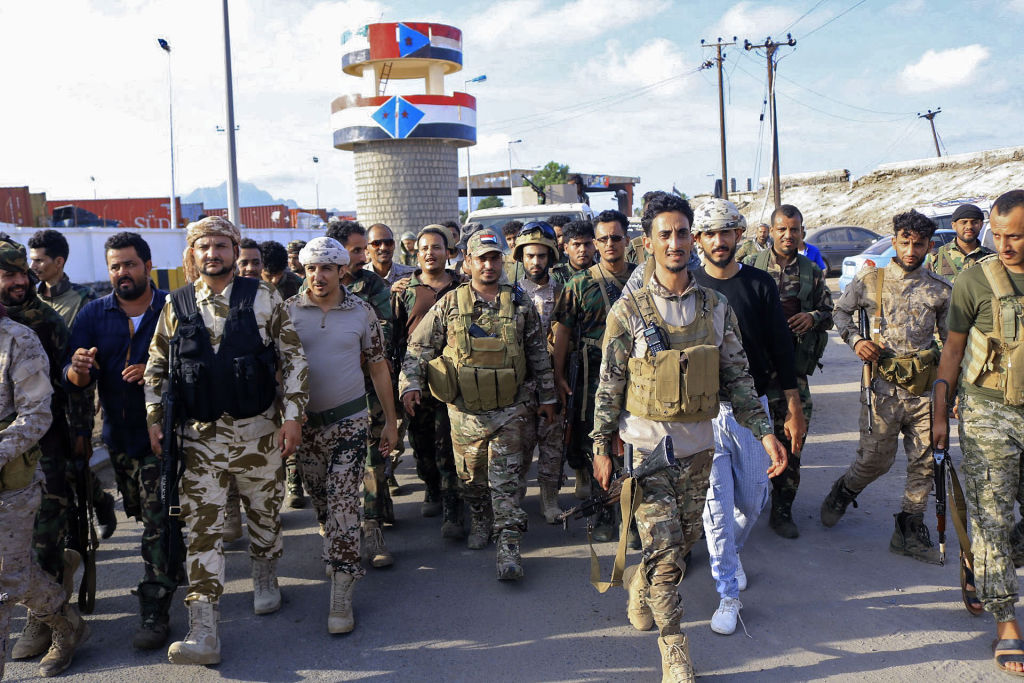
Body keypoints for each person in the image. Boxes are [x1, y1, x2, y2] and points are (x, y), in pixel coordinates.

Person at [590, 192, 786, 681]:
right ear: (648, 244)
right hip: (646, 451)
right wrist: (600, 446)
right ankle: (674, 646)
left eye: (682, 232)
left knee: (681, 544)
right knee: (662, 546)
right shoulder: (628, 311)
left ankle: (641, 586)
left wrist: (765, 434)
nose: (675, 242)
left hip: (701, 449)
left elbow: (739, 380)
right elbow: (609, 385)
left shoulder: (716, 308)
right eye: (665, 234)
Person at [143, 216, 308, 665]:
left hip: (258, 434)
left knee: (265, 515)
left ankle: (265, 573)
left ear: (235, 251)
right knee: (201, 531)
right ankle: (204, 630)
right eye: (203, 247)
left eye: (220, 245)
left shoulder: (264, 298)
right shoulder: (175, 305)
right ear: (192, 254)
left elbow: (292, 357)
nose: (212, 253)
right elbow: (157, 368)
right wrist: (156, 419)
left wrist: (292, 417)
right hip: (199, 440)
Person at [399, 231, 557, 580]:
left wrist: (547, 397)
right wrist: (410, 385)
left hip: (511, 410)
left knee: (506, 482)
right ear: (467, 262)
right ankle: (481, 519)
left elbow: (537, 355)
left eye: (494, 258)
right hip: (465, 413)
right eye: (481, 258)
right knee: (471, 479)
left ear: (503, 261)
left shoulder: (519, 303)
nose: (488, 265)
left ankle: (509, 548)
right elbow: (418, 349)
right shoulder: (450, 304)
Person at [64, 232, 186, 650]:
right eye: (115, 266)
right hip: (120, 438)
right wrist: (78, 369)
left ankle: (155, 610)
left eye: (130, 264)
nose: (122, 273)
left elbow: (200, 365)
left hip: (167, 439)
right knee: (143, 512)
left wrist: (156, 372)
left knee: (157, 523)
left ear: (148, 266)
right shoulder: (93, 314)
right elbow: (74, 377)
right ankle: (174, 559)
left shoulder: (175, 308)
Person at [690, 199, 805, 635]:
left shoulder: (759, 284)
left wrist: (793, 406)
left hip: (749, 408)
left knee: (753, 498)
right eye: (710, 233)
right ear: (698, 239)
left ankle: (729, 554)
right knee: (715, 507)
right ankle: (727, 594)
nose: (719, 242)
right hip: (700, 413)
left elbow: (780, 345)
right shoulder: (690, 286)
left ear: (739, 235)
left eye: (727, 232)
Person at [822, 210, 950, 562]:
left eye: (919, 243)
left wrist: (950, 392)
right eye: (905, 242)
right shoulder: (871, 281)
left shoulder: (939, 290)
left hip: (923, 391)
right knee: (875, 461)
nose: (911, 250)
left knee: (925, 462)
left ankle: (909, 528)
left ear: (928, 245)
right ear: (894, 241)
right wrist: (855, 340)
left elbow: (951, 344)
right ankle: (844, 491)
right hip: (881, 390)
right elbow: (840, 313)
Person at [932, 189, 1024, 676]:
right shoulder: (974, 279)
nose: (1004, 245)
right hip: (988, 410)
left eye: (1017, 236)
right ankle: (1005, 620)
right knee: (991, 514)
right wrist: (941, 411)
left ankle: (982, 561)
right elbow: (952, 350)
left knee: (1003, 532)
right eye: (999, 234)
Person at [287, 237, 397, 633]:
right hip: (305, 425)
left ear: (341, 271)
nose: (318, 276)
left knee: (345, 502)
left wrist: (390, 419)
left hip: (349, 421)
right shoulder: (287, 313)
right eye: (312, 269)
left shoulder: (361, 312)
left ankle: (342, 590)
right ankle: (334, 541)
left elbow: (379, 367)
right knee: (321, 498)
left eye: (327, 268)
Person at [0, 235, 91, 664]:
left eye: (22, 271)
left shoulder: (40, 325)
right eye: (9, 273)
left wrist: (81, 439)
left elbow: (69, 391)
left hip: (43, 453)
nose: (20, 280)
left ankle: (48, 623)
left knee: (44, 541)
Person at [743, 203, 833, 538]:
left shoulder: (811, 271)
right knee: (748, 438)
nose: (788, 235)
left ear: (802, 232)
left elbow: (829, 310)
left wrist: (812, 317)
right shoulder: (751, 266)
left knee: (793, 437)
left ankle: (783, 509)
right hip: (751, 370)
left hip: (792, 371)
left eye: (794, 229)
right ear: (771, 230)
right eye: (782, 229)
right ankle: (746, 502)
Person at [27, 228, 117, 540]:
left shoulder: (84, 300)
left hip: (74, 394)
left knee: (76, 459)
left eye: (40, 260)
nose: (34, 266)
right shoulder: (29, 299)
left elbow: (95, 352)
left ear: (59, 261)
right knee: (52, 465)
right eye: (32, 260)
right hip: (38, 396)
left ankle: (100, 501)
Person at [551, 211, 637, 539]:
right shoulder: (580, 284)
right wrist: (558, 376)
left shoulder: (644, 278)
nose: (610, 244)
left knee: (636, 443)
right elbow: (562, 332)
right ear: (596, 244)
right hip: (593, 377)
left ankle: (632, 517)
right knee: (595, 446)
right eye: (603, 239)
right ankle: (603, 514)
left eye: (616, 238)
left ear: (627, 241)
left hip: (638, 375)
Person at [325, 220, 396, 567]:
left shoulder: (372, 285)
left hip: (366, 390)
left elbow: (384, 332)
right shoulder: (313, 287)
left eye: (362, 248)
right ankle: (337, 533)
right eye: (356, 249)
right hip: (326, 395)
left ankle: (372, 527)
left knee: (372, 461)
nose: (364, 254)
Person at [391, 226, 464, 535]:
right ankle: (431, 486)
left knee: (449, 443)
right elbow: (395, 335)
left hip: (453, 376)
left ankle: (452, 507)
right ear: (416, 254)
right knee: (421, 444)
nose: (431, 253)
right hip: (416, 375)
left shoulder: (463, 286)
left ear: (448, 253)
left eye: (437, 247)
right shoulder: (404, 290)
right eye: (424, 249)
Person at [511, 221, 566, 523]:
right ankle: (515, 500)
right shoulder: (510, 294)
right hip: (520, 383)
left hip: (552, 381)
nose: (535, 262)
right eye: (530, 256)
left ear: (551, 258)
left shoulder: (563, 292)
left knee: (552, 442)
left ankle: (550, 499)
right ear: (520, 257)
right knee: (519, 445)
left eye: (542, 256)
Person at [929, 203, 994, 282]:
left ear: (981, 225)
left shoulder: (992, 258)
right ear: (954, 225)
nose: (969, 226)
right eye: (964, 222)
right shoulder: (935, 258)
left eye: (974, 222)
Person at [550, 219, 597, 284]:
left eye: (587, 244)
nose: (583, 249)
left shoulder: (603, 273)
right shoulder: (557, 276)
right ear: (566, 248)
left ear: (595, 245)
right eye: (577, 245)